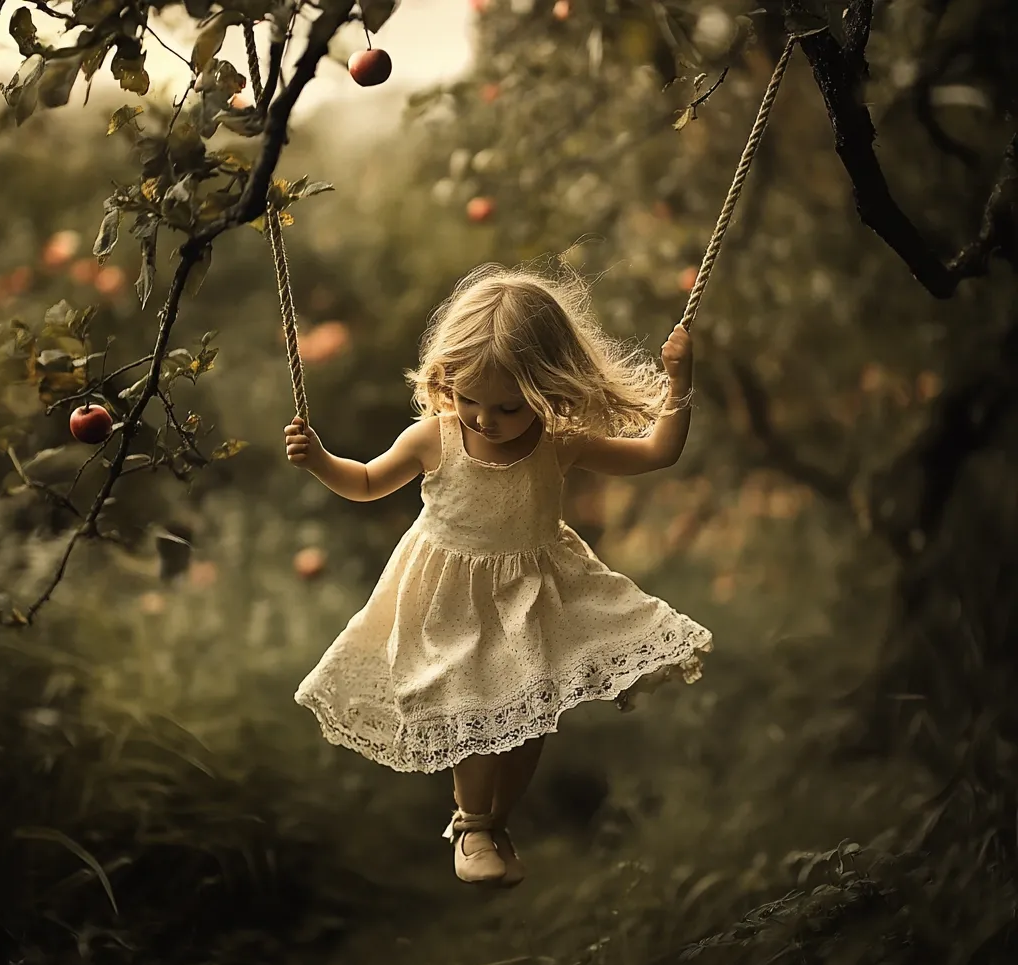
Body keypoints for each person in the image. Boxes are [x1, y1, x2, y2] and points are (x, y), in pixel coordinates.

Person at [284, 263, 713, 887]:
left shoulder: (557, 442)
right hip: (448, 597)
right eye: (469, 401)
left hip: (533, 593)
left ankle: (495, 821)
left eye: (509, 406)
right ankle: (472, 824)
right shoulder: (435, 439)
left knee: (528, 717)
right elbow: (370, 482)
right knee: (470, 704)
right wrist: (323, 462)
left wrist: (680, 383)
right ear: (446, 386)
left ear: (545, 388)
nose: (485, 419)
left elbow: (655, 452)